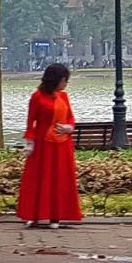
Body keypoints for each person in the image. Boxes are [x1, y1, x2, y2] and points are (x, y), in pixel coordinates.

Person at [17, 63, 82, 229]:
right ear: (57, 80)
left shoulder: (64, 97)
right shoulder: (37, 97)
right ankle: (33, 215)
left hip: (62, 145)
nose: (66, 84)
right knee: (38, 178)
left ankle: (56, 216)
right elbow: (30, 122)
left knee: (58, 179)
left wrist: (68, 128)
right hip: (42, 145)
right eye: (64, 80)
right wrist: (30, 143)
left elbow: (71, 118)